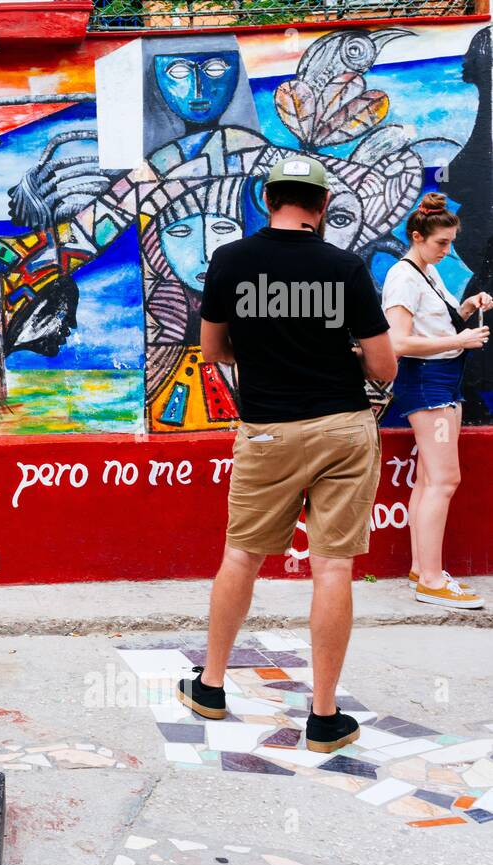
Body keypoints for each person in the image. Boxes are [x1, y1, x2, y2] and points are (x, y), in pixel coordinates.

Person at [176, 156, 397, 753]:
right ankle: (324, 717)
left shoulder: (230, 261)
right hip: (342, 430)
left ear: (267, 198)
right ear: (322, 207)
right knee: (332, 567)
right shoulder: (345, 266)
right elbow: (384, 365)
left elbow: (214, 349)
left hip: (267, 431)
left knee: (242, 556)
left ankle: (212, 687)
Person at [382, 193, 492, 610]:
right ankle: (431, 579)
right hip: (430, 383)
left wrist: (465, 308)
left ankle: (422, 569)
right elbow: (399, 341)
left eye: (451, 242)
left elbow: (432, 325)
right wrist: (460, 340)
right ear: (417, 236)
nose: (448, 251)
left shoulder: (425, 271)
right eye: (441, 243)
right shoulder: (405, 276)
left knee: (431, 479)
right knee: (444, 481)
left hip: (441, 381)